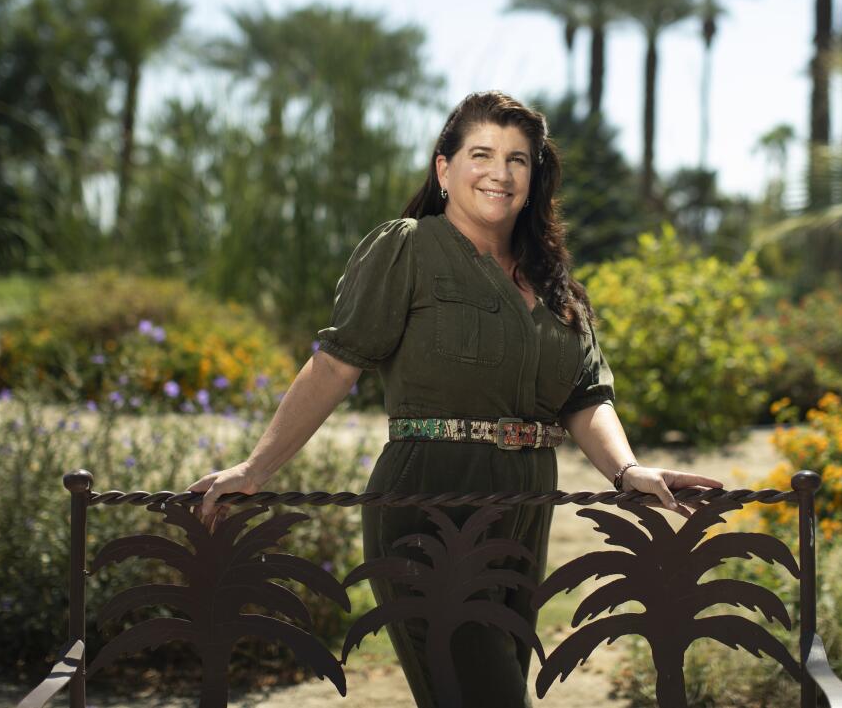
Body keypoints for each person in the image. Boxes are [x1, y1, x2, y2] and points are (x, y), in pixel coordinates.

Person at [187, 91, 723, 706]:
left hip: (526, 503)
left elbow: (585, 398)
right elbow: (334, 366)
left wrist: (627, 469)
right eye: (481, 153)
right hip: (429, 500)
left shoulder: (557, 287)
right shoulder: (408, 247)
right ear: (445, 169)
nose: (500, 171)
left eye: (518, 159)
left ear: (534, 176)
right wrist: (256, 468)